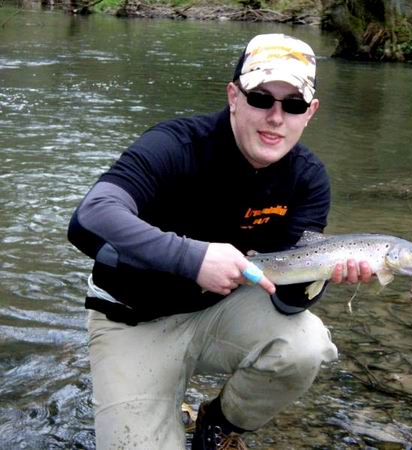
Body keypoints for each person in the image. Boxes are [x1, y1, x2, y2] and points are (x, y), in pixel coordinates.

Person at [68, 33, 373, 450]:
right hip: (132, 319)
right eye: (261, 99)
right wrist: (193, 258)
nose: (276, 117)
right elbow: (90, 218)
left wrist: (322, 273)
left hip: (219, 312)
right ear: (233, 96)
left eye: (293, 105)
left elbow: (287, 303)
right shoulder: (175, 145)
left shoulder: (308, 178)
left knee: (306, 346)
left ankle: (218, 422)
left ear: (310, 112)